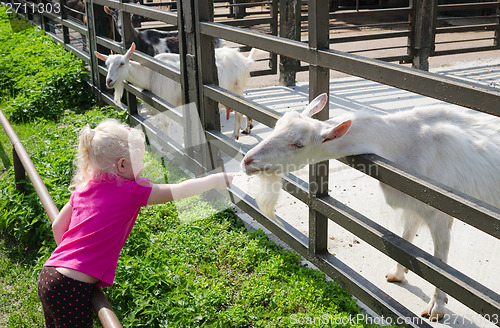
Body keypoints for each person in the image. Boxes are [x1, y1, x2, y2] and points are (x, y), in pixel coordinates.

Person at [37, 119, 232, 328]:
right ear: (122, 165)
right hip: (71, 287)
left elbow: (58, 227)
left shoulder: (84, 188)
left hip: (49, 273)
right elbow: (179, 190)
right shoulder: (130, 192)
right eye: (139, 160)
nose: (144, 166)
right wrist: (214, 180)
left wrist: (73, 260)